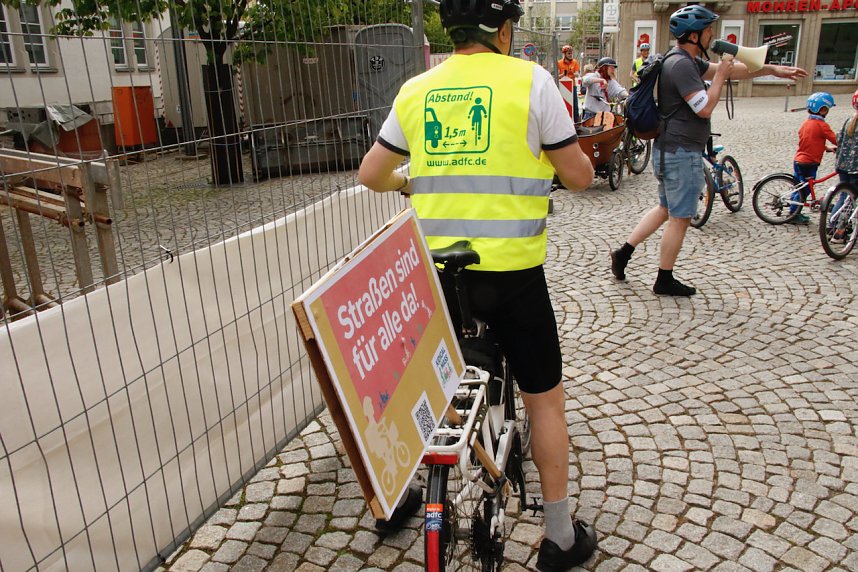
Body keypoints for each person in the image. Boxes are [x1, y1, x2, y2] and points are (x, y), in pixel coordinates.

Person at [358, 0, 597, 569]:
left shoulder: (416, 91)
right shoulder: (534, 82)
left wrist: (408, 181)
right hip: (513, 276)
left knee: (424, 388)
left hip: (439, 275)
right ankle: (560, 537)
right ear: (503, 29)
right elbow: (582, 176)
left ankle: (397, 496)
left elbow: (370, 174)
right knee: (544, 399)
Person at [609, 4, 807, 296]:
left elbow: (730, 70)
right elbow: (704, 107)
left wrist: (771, 69)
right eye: (708, 30)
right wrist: (721, 76)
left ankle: (623, 253)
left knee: (666, 208)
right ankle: (664, 279)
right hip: (681, 153)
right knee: (680, 217)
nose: (712, 35)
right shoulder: (682, 66)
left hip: (671, 150)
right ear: (693, 35)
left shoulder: (683, 59)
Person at [790, 92, 838, 224]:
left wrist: (826, 148)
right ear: (822, 109)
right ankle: (793, 214)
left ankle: (793, 208)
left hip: (799, 160)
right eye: (827, 109)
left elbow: (810, 140)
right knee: (804, 189)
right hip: (810, 163)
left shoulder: (806, 123)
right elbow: (836, 139)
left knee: (799, 186)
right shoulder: (822, 125)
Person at [831, 89, 858, 241]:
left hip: (843, 166)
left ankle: (832, 223)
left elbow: (839, 139)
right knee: (850, 200)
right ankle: (840, 231)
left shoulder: (849, 121)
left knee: (844, 195)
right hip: (856, 169)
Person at [581, 57, 628, 123]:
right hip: (591, 115)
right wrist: (601, 80)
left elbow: (619, 90)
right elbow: (585, 80)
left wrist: (628, 96)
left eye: (614, 68)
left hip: (605, 116)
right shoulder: (593, 75)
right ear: (604, 68)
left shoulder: (611, 82)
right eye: (611, 68)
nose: (613, 70)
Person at [558, 45, 581, 123]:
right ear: (564, 54)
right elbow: (557, 76)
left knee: (575, 105)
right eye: (569, 53)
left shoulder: (574, 62)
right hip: (563, 86)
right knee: (563, 105)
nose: (570, 55)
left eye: (571, 53)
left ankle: (577, 123)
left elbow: (577, 73)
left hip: (572, 86)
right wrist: (563, 74)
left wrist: (573, 73)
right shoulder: (559, 63)